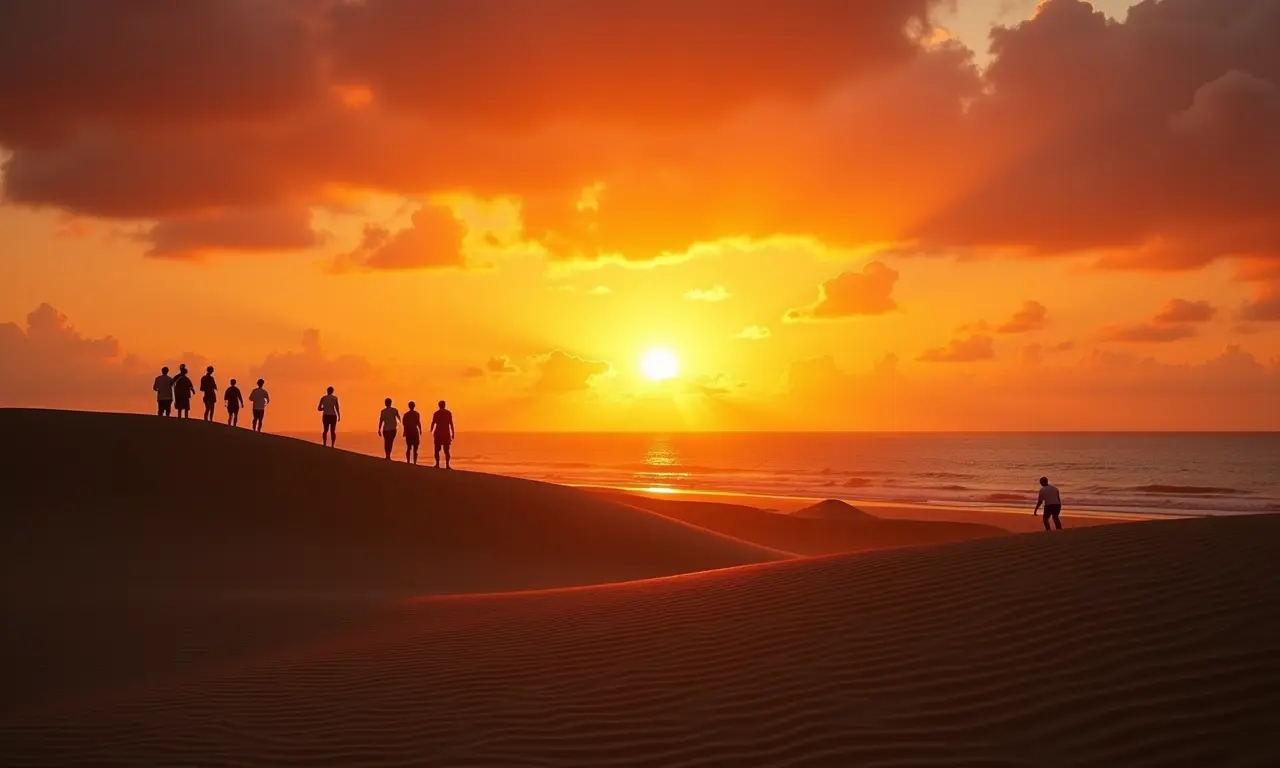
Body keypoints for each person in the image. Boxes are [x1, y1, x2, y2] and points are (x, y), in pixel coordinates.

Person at [430, 400, 455, 469]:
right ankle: (447, 465)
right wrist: (453, 432)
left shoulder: (436, 413)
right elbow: (451, 423)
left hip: (438, 432)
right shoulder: (448, 413)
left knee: (437, 450)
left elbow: (433, 422)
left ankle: (437, 464)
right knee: (446, 450)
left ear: (439, 405)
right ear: (445, 405)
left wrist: (431, 430)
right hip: (446, 433)